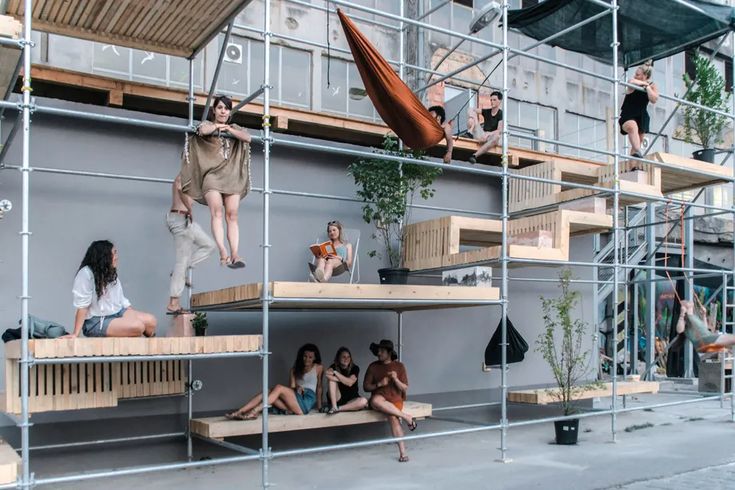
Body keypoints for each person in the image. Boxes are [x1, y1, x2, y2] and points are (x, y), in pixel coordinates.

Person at [180, 95, 252, 269]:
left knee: (232, 215)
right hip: (211, 177)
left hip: (232, 176)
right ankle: (222, 251)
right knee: (217, 212)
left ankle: (235, 253)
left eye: (226, 108)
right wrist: (217, 127)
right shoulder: (208, 125)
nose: (223, 111)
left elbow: (247, 138)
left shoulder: (234, 127)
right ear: (214, 110)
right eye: (219, 108)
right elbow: (202, 131)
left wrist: (228, 129)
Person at [68, 240, 157, 338]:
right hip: (97, 321)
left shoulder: (109, 272)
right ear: (104, 256)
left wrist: (132, 314)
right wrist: (75, 334)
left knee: (151, 321)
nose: (117, 257)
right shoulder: (85, 274)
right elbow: (82, 307)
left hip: (117, 312)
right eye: (114, 253)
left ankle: (152, 347)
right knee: (138, 327)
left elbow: (121, 299)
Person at [226, 343, 323, 420]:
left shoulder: (319, 368)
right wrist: (297, 387)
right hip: (295, 402)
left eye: (310, 357)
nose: (307, 359)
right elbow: (291, 388)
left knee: (279, 387)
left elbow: (319, 387)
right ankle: (239, 412)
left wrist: (319, 407)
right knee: (267, 391)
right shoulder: (294, 370)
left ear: (315, 358)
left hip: (307, 401)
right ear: (301, 356)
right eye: (305, 356)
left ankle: (254, 412)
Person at [166, 175, 216, 315]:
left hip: (186, 220)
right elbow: (179, 188)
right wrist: (189, 207)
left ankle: (178, 272)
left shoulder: (194, 175)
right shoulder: (184, 174)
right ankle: (173, 302)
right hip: (179, 219)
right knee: (181, 261)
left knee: (209, 245)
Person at [363, 339, 417, 463]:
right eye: (378, 351)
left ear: (389, 353)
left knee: (393, 417)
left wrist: (396, 379)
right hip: (380, 398)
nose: (378, 353)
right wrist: (379, 384)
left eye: (381, 351)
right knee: (375, 400)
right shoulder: (373, 366)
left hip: (395, 400)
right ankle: (407, 417)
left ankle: (403, 453)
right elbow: (366, 387)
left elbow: (405, 387)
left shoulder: (399, 366)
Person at [619, 60, 659, 158]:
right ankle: (639, 152)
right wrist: (644, 84)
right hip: (628, 115)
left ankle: (634, 166)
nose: (635, 76)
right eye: (636, 74)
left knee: (638, 140)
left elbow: (654, 99)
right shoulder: (634, 83)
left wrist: (648, 88)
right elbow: (631, 82)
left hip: (641, 116)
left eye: (638, 75)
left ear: (645, 77)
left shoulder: (652, 86)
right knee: (632, 127)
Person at [323, 346, 369, 415]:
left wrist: (335, 373)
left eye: (348, 357)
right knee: (331, 380)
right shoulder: (333, 367)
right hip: (337, 398)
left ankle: (337, 408)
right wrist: (344, 380)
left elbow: (350, 383)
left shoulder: (355, 368)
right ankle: (334, 405)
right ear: (338, 358)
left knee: (364, 401)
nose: (346, 359)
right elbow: (327, 375)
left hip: (351, 399)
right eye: (343, 357)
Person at [468, 90, 503, 164]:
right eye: (491, 100)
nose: (492, 102)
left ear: (499, 101)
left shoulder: (501, 114)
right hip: (482, 135)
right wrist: (473, 118)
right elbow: (471, 110)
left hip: (491, 137)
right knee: (471, 118)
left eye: (494, 100)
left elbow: (499, 130)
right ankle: (470, 132)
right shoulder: (487, 111)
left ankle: (475, 155)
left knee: (497, 136)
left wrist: (488, 134)